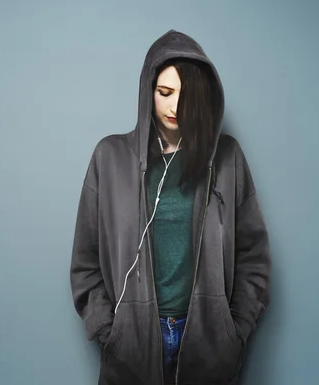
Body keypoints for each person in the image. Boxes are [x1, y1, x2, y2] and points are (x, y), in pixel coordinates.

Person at [70, 29, 271, 385]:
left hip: (209, 343)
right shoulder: (110, 157)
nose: (175, 107)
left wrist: (232, 332)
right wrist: (109, 332)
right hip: (132, 345)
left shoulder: (227, 158)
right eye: (165, 93)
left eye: (185, 95)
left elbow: (253, 256)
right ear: (148, 92)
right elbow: (85, 263)